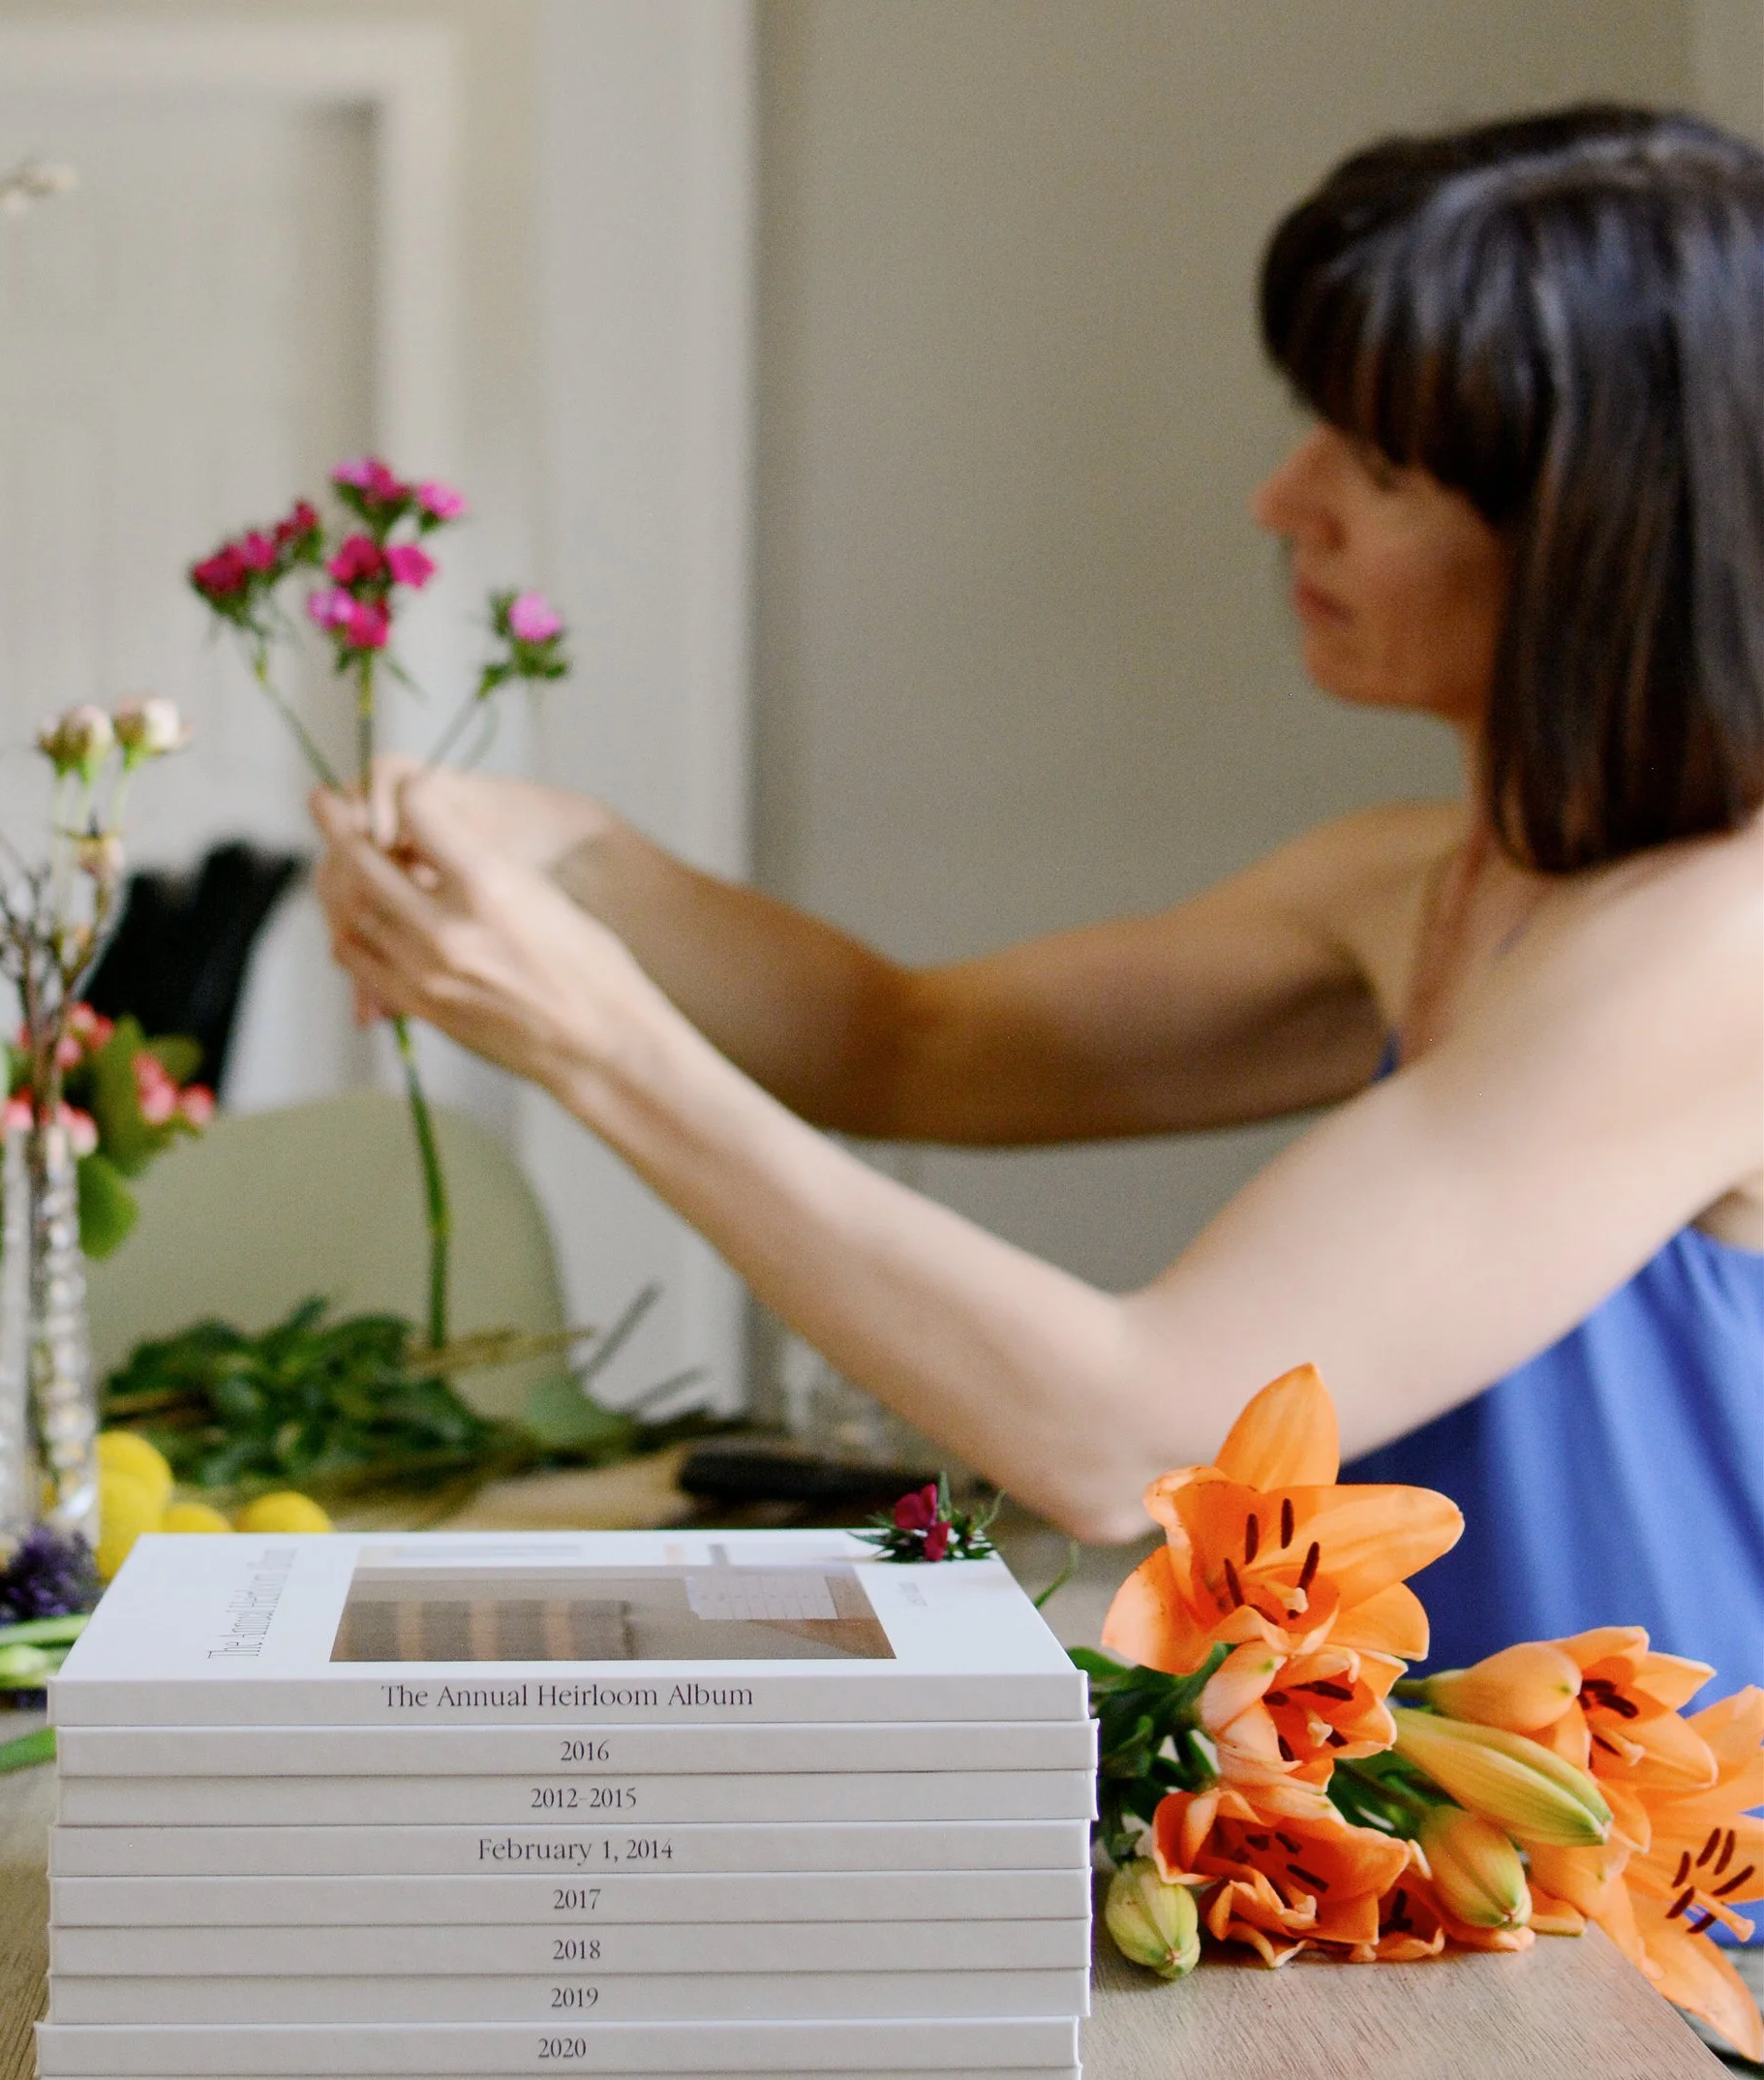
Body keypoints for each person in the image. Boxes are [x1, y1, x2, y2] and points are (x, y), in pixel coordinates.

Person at [313, 107, 1764, 1675]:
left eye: (1386, 466)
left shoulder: (1716, 947)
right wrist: (578, 858)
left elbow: (1121, 1424)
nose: (1285, 500)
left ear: (1605, 536)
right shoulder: (1422, 878)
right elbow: (903, 1041)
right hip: (1465, 1883)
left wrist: (589, 1036)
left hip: (1673, 1911)